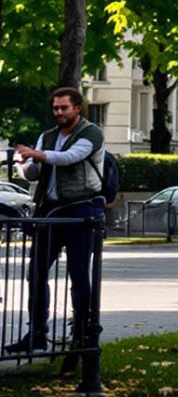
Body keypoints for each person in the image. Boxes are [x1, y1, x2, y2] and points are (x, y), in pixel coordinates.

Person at [7, 87, 108, 355]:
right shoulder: (48, 136)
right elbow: (33, 174)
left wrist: (36, 154)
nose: (59, 113)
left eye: (64, 108)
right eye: (55, 108)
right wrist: (24, 163)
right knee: (36, 272)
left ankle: (83, 331)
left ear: (78, 108)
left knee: (79, 274)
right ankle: (37, 332)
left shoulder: (91, 133)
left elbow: (70, 158)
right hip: (50, 210)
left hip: (80, 210)